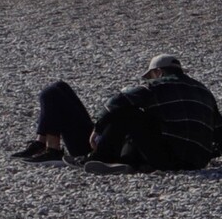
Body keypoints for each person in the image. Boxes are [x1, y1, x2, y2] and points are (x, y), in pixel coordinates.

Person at [19, 54, 220, 170]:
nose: (149, 80)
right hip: (192, 161)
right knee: (57, 89)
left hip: (164, 160)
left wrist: (97, 129)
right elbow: (219, 132)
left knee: (54, 90)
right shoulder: (204, 92)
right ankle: (46, 145)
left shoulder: (160, 86)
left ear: (158, 73)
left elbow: (118, 101)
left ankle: (79, 154)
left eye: (149, 76)